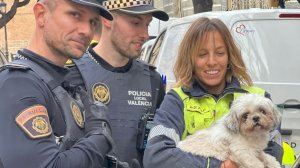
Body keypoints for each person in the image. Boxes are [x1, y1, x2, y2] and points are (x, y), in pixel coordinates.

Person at [143, 17, 283, 168]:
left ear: (230, 56)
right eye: (202, 54)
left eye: (220, 53)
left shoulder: (260, 97)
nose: (212, 61)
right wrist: (217, 165)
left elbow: (273, 150)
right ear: (190, 59)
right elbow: (156, 156)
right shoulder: (176, 100)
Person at [0, 0, 118, 167]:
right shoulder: (18, 83)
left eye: (93, 22)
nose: (87, 30)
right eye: (75, 15)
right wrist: (99, 137)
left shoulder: (56, 81)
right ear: (41, 15)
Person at [65, 0, 169, 166]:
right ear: (107, 19)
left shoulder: (152, 80)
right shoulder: (72, 75)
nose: (145, 34)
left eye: (147, 24)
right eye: (135, 23)